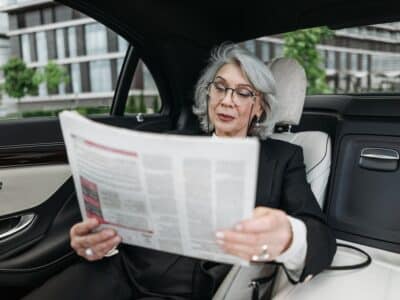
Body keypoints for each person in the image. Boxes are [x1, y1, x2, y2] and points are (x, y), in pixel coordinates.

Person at [23, 44, 336, 300]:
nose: (227, 100)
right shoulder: (170, 144)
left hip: (198, 290)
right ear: (208, 93)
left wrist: (288, 237)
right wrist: (98, 240)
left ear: (260, 107)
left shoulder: (283, 158)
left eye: (243, 93)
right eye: (221, 87)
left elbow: (320, 237)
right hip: (118, 271)